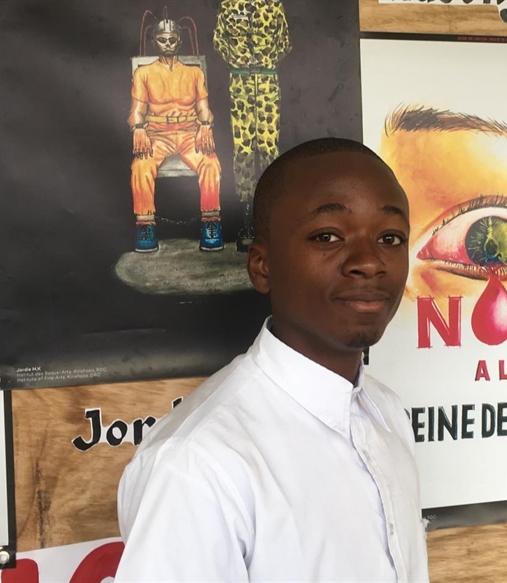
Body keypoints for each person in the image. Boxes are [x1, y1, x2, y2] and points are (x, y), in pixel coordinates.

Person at [114, 137, 429, 582]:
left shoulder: (386, 412)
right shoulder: (197, 464)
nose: (369, 262)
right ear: (261, 266)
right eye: (327, 236)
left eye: (390, 238)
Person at [129, 19, 224, 253]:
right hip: (157, 135)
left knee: (210, 162)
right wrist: (138, 128)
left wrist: (206, 125)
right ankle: (145, 226)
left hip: (189, 133)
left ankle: (211, 224)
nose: (168, 44)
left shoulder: (194, 73)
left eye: (172, 39)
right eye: (162, 40)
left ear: (179, 41)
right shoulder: (144, 73)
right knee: (140, 166)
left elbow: (203, 107)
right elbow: (137, 110)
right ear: (155, 41)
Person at [213, 0, 292, 252]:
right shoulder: (229, 6)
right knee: (243, 150)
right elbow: (219, 42)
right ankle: (246, 220)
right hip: (240, 83)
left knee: (269, 149)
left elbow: (285, 43)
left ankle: (271, 219)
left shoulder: (273, 5)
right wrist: (239, 61)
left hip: (268, 82)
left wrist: (266, 62)